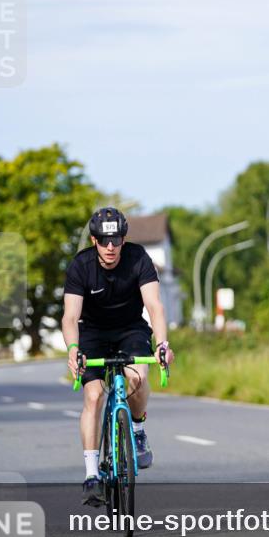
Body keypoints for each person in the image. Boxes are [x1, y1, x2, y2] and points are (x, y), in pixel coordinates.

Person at [62, 207, 174, 507]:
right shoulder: (80, 266)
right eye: (103, 240)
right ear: (93, 240)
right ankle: (91, 476)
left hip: (130, 329)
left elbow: (155, 307)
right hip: (92, 333)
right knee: (95, 395)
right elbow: (70, 317)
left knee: (137, 376)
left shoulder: (139, 259)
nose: (110, 247)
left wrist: (162, 344)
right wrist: (73, 351)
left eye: (116, 240)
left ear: (124, 239)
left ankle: (137, 430)